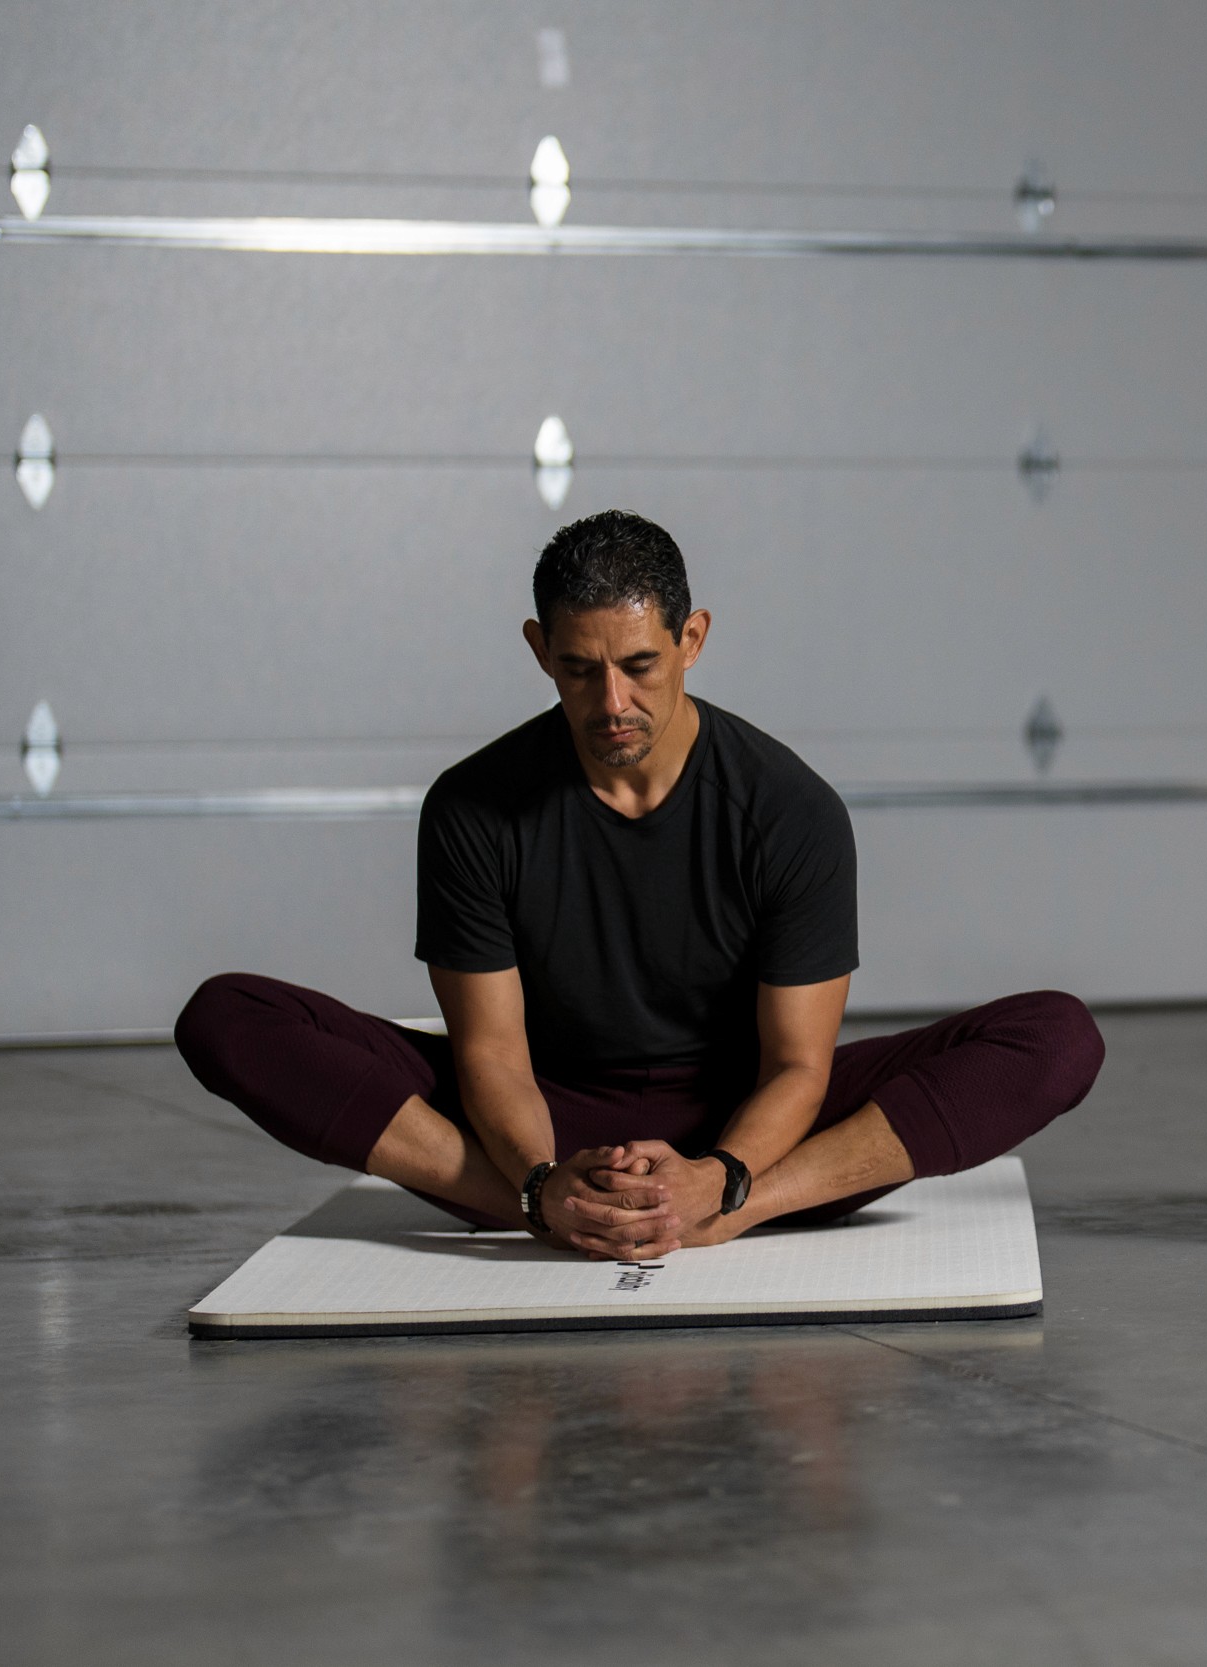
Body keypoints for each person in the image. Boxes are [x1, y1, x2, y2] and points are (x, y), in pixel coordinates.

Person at [177, 510, 1104, 1260]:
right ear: (541, 650)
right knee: (229, 1016)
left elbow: (796, 1066)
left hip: (747, 1118)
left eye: (639, 665)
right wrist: (544, 1186)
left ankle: (725, 1215)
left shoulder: (789, 807)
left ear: (691, 638)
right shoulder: (473, 807)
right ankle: (546, 1208)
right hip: (541, 1114)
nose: (611, 703)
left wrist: (726, 1182)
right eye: (579, 670)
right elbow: (492, 1055)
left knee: (1055, 1036)